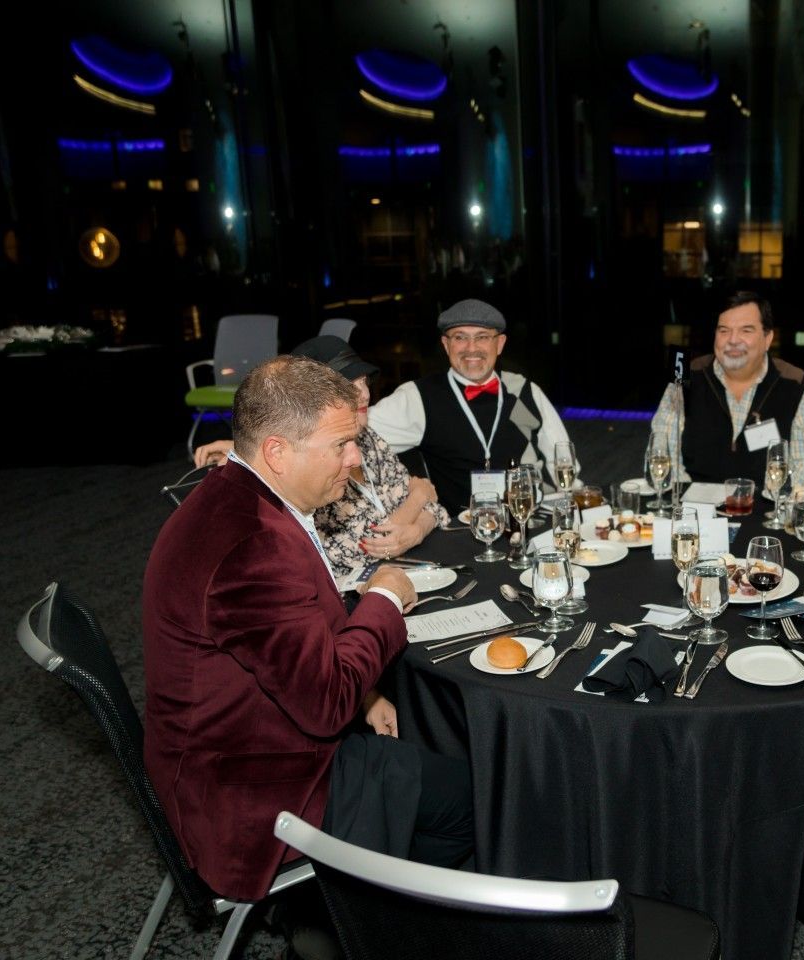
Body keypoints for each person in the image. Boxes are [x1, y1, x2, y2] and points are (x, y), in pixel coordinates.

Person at [144, 355, 473, 906]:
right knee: (476, 805)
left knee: (427, 763)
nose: (355, 458)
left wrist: (367, 691)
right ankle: (367, 924)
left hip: (246, 747)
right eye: (341, 444)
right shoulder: (252, 546)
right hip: (257, 795)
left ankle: (365, 901)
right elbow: (324, 705)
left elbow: (293, 636)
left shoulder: (240, 499)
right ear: (277, 451)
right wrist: (384, 600)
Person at [194, 336, 447, 574]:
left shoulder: (368, 438)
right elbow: (359, 551)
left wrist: (417, 529)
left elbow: (437, 509)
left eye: (364, 382)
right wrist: (418, 497)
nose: (364, 394)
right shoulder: (309, 464)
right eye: (349, 385)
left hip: (408, 571)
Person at [366, 298, 575, 514]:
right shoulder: (419, 398)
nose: (471, 348)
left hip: (530, 517)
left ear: (500, 344)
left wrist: (570, 509)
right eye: (460, 337)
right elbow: (356, 432)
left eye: (482, 337)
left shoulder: (521, 391)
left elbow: (562, 459)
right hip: (461, 528)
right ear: (446, 345)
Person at [649, 291, 804, 491]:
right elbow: (662, 450)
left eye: (746, 330)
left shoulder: (796, 383)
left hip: (769, 503)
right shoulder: (684, 377)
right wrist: (689, 498)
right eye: (724, 331)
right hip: (695, 501)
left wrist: (767, 501)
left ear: (767, 338)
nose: (733, 340)